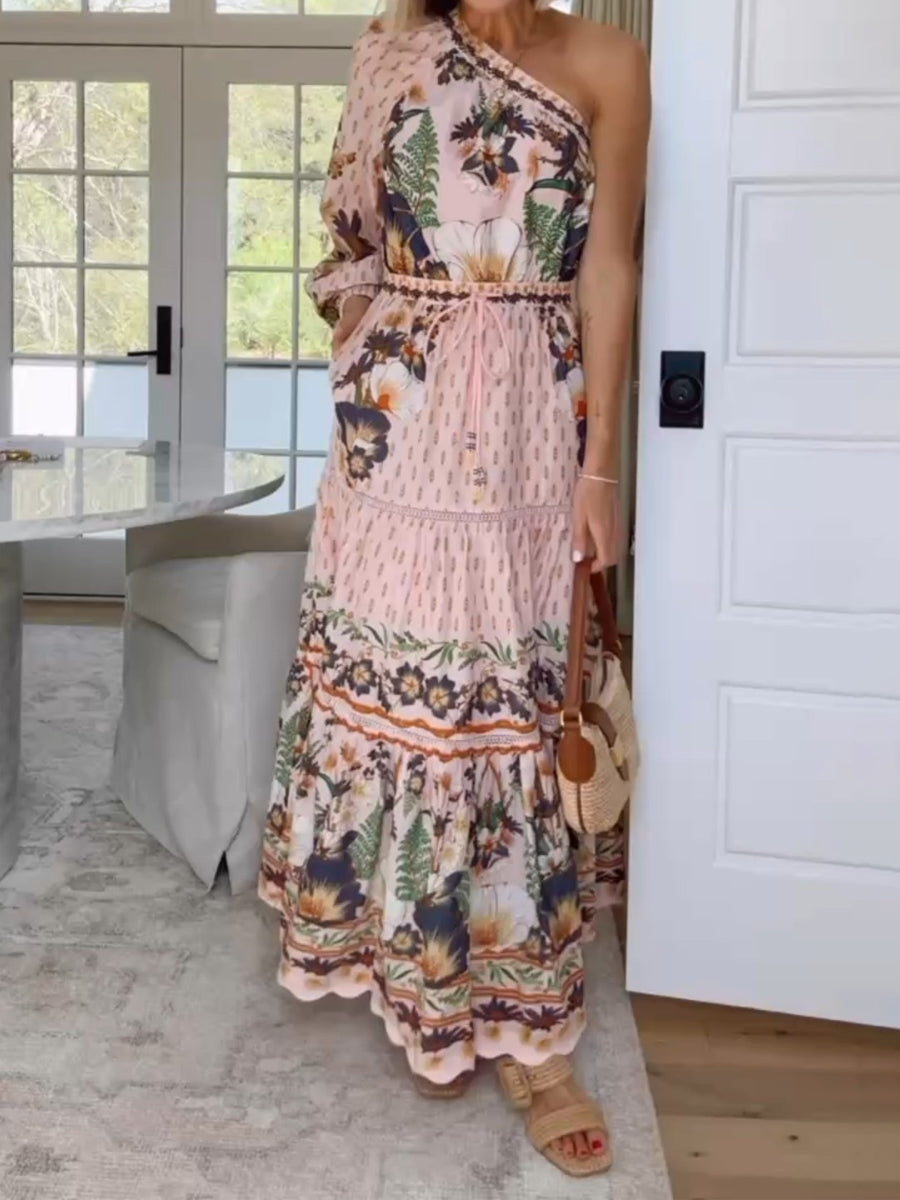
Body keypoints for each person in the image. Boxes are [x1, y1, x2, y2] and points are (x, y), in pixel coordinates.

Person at [259, 0, 649, 1177]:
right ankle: (416, 973)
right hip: (400, 430)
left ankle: (532, 1035)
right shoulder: (392, 49)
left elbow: (609, 266)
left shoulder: (607, 60)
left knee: (514, 704)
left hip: (534, 425)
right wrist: (371, 348)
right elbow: (348, 235)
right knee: (401, 703)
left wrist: (601, 465)